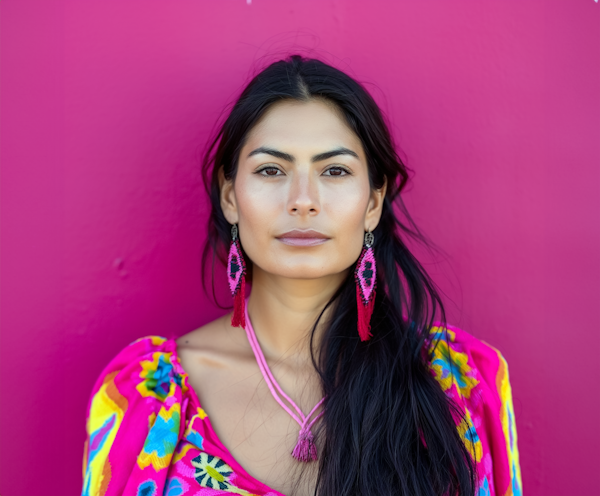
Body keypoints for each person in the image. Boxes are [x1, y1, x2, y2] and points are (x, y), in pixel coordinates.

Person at [81, 55, 522, 496]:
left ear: (372, 202)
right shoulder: (150, 396)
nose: (303, 200)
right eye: (272, 170)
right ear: (230, 196)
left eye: (335, 170)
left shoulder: (458, 382)